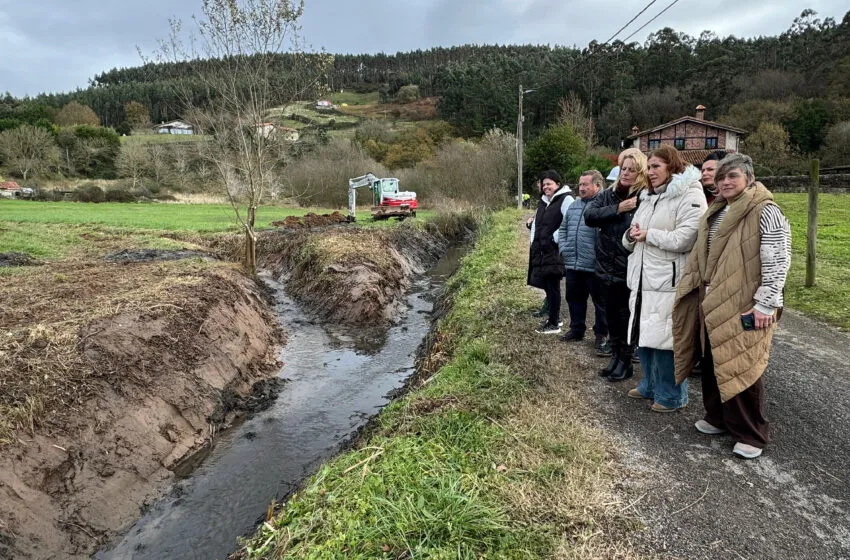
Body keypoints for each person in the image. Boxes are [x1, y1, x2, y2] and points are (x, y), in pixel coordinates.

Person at [673, 154, 791, 459]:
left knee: (742, 364)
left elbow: (777, 259)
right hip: (712, 299)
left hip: (744, 302)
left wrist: (766, 304)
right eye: (721, 177)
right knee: (712, 360)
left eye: (733, 176)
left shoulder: (765, 210)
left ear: (749, 178)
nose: (726, 182)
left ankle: (751, 433)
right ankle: (719, 418)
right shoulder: (718, 210)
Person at [624, 145, 706, 411]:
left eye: (656, 166)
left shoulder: (690, 194)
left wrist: (649, 235)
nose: (651, 172)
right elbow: (634, 234)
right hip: (643, 278)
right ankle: (650, 384)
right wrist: (629, 236)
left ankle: (672, 395)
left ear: (673, 166)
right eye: (649, 167)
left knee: (667, 340)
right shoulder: (648, 196)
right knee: (644, 334)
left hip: (669, 281)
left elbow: (686, 238)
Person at [585, 151, 647, 380]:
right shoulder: (610, 195)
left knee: (626, 318)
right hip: (604, 266)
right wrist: (618, 209)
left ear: (640, 172)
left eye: (632, 169)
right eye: (624, 168)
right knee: (610, 315)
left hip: (628, 267)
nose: (626, 173)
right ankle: (615, 358)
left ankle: (625, 361)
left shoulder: (644, 196)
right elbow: (589, 215)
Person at [558, 170, 609, 355]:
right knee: (573, 298)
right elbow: (563, 228)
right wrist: (563, 249)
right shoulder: (574, 206)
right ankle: (577, 329)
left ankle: (601, 334)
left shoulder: (603, 205)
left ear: (597, 185)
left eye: (585, 184)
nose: (581, 188)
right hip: (573, 262)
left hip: (594, 264)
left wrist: (599, 256)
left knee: (600, 302)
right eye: (580, 184)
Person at [529, 170, 574, 333]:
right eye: (544, 184)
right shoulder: (543, 201)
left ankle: (554, 323)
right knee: (547, 285)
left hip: (554, 250)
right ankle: (555, 317)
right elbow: (539, 222)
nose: (546, 186)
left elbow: (570, 221)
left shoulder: (566, 199)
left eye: (549, 183)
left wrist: (555, 238)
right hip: (541, 250)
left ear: (558, 184)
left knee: (553, 286)